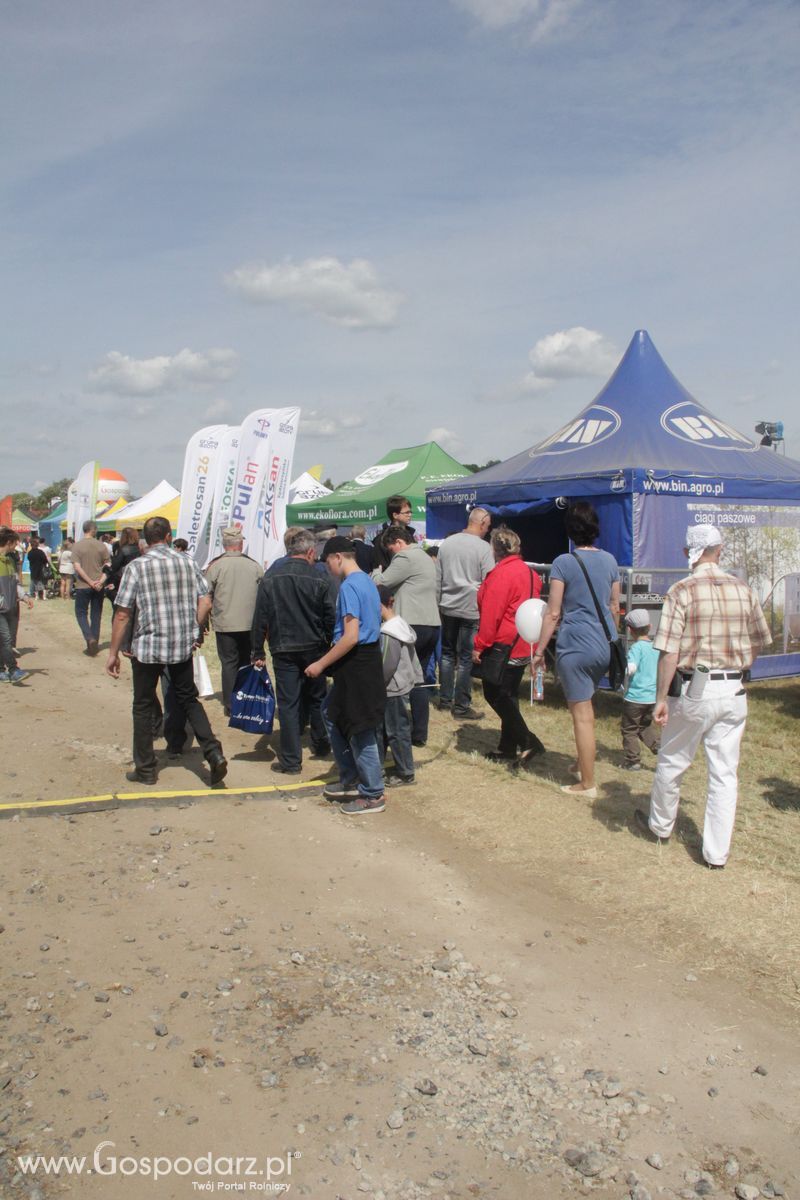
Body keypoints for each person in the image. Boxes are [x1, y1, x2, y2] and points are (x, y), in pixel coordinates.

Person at [634, 524, 771, 869]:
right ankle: (716, 854)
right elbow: (758, 641)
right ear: (720, 550)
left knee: (673, 760)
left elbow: (668, 651)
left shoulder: (681, 590)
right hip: (734, 688)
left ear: (688, 554)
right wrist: (739, 667)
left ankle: (661, 827)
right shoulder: (743, 588)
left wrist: (660, 698)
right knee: (724, 773)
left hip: (695, 686)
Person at [105, 516, 227, 787]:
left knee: (143, 704)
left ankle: (146, 768)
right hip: (180, 645)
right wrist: (193, 628)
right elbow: (205, 601)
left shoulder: (137, 567)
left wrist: (113, 651)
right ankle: (212, 750)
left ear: (145, 540)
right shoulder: (187, 561)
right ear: (170, 536)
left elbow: (123, 613)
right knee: (188, 698)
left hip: (147, 646)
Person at [532, 502, 620, 797]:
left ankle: (587, 782)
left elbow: (553, 613)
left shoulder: (563, 563)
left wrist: (539, 650)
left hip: (575, 645)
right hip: (602, 644)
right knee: (587, 709)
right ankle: (582, 762)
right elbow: (613, 607)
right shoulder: (610, 561)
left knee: (582, 716)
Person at [306, 536, 386, 814]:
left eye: (327, 561)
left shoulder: (350, 585)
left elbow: (350, 636)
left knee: (360, 727)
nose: (327, 567)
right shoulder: (366, 581)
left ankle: (373, 793)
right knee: (331, 713)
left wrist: (320, 664)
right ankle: (351, 777)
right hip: (365, 659)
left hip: (358, 663)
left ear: (337, 557)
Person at [250, 528, 334, 773]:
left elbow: (259, 618)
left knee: (288, 703)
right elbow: (330, 615)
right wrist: (328, 644)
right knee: (317, 697)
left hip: (284, 647)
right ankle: (320, 744)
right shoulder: (320, 577)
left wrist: (257, 651)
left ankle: (291, 760)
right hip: (314, 647)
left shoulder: (271, 577)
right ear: (309, 552)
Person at [472, 527, 544, 764]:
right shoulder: (531, 574)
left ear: (495, 549)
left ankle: (527, 740)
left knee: (496, 693)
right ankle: (506, 748)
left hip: (504, 643)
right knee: (509, 695)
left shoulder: (501, 575)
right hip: (525, 641)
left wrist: (480, 645)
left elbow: (492, 614)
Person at [376, 524, 440, 747]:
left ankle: (397, 728)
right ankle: (419, 733)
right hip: (432, 623)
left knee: (399, 680)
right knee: (419, 680)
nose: (392, 554)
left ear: (399, 543)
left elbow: (380, 583)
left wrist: (375, 570)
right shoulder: (425, 557)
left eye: (391, 549)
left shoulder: (404, 558)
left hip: (412, 624)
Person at [436, 506, 494, 718]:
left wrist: (438, 604)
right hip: (471, 607)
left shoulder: (447, 544)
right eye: (487, 526)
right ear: (481, 523)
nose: (487, 530)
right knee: (466, 658)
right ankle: (461, 705)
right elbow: (489, 581)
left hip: (448, 605)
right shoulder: (483, 548)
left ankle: (444, 700)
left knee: (448, 654)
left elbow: (438, 578)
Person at [205, 526, 263, 715]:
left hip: (225, 623)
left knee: (229, 663)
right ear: (240, 543)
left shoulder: (216, 566)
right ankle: (246, 698)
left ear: (224, 544)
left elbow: (206, 595)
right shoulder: (254, 565)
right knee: (247, 661)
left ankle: (231, 705)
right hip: (249, 624)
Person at [378, 586, 423, 786]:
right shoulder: (400, 624)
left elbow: (388, 662)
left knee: (396, 731)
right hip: (400, 684)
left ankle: (405, 772)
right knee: (386, 729)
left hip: (390, 687)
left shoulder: (388, 631)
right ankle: (378, 766)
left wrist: (376, 684)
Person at [620, 609, 660, 771]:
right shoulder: (656, 647)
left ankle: (633, 760)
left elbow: (631, 668)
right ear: (650, 626)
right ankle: (660, 748)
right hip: (652, 697)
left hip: (635, 697)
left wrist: (620, 668)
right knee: (644, 726)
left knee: (629, 729)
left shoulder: (636, 648)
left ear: (629, 629)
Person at [71, 520, 111, 655]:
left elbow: (77, 567)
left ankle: (89, 638)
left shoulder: (77, 546)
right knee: (96, 614)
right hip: (99, 585)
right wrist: (100, 581)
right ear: (93, 530)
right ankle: (94, 641)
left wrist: (89, 581)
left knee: (81, 613)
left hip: (83, 585)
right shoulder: (102, 546)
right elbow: (108, 566)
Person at [0, 528, 32, 683]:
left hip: (10, 606)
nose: (16, 546)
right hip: (1, 609)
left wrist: (24, 596)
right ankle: (14, 670)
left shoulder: (9, 560)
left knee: (4, 640)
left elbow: (15, 583)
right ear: (8, 542)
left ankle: (1, 670)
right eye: (15, 543)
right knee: (6, 639)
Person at [372, 496, 417, 570]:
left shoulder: (410, 534)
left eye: (410, 512)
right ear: (395, 515)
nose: (410, 515)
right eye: (407, 512)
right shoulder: (382, 539)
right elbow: (381, 567)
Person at [104, 527, 141, 604]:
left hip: (123, 580)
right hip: (138, 579)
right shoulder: (140, 548)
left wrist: (107, 567)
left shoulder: (123, 549)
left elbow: (114, 566)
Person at [27, 536, 50, 601]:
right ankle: (44, 597)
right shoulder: (40, 552)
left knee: (35, 583)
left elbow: (29, 559)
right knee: (43, 583)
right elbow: (45, 560)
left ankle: (36, 597)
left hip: (33, 569)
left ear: (31, 545)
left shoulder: (30, 553)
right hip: (41, 569)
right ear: (37, 545)